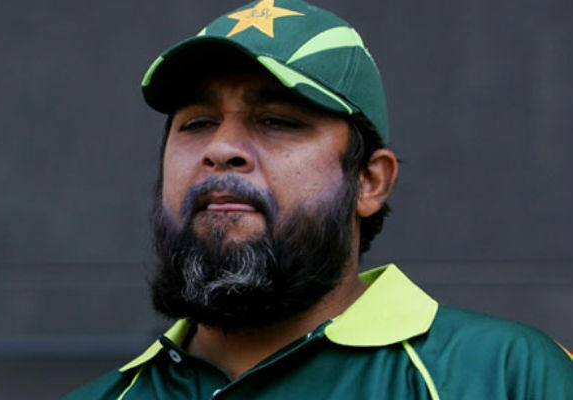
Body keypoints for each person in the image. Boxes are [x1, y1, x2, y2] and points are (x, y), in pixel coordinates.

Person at [64, 0, 573, 398]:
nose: (220, 148)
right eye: (197, 123)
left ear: (369, 182)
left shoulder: (503, 375)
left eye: (276, 121)